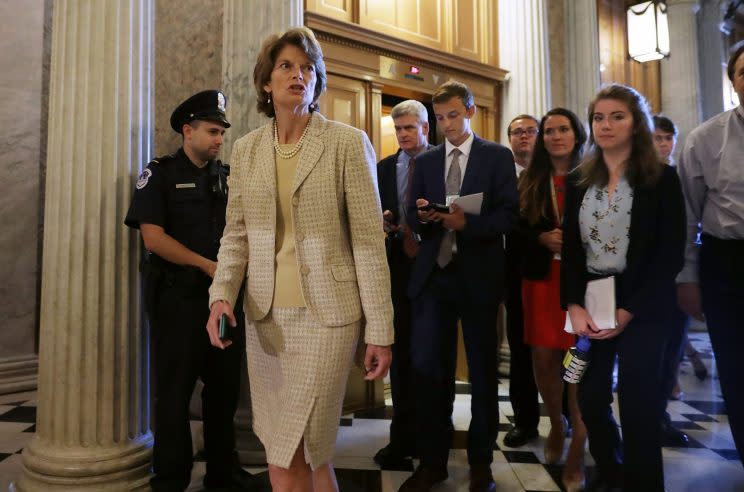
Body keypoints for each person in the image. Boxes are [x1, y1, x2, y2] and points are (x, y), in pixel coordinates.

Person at [204, 27, 393, 492]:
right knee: (291, 455)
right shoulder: (246, 149)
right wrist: (221, 296)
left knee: (297, 450)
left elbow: (369, 241)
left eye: (307, 68)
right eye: (286, 66)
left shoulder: (347, 143)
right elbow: (237, 235)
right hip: (266, 318)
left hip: (328, 318)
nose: (298, 75)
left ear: (316, 81)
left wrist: (381, 331)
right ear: (267, 83)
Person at [124, 90, 255, 491]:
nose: (219, 140)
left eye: (221, 133)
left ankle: (222, 472)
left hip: (224, 303)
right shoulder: (160, 174)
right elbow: (153, 237)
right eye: (212, 132)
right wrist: (209, 266)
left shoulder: (229, 176)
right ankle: (171, 477)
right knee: (175, 394)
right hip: (179, 300)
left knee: (223, 394)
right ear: (188, 130)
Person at [561, 84, 686, 491]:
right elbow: (572, 250)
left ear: (636, 124)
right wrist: (574, 305)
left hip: (645, 300)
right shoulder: (580, 179)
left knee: (639, 402)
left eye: (617, 116)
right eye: (599, 117)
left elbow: (669, 255)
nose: (606, 125)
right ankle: (612, 469)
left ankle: (644, 483)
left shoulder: (661, 178)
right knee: (592, 398)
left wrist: (628, 309)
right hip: (594, 294)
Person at [401, 80, 518, 492]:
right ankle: (432, 461)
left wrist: (468, 223)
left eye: (453, 115)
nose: (446, 125)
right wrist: (422, 215)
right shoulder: (428, 160)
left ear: (469, 111)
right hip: (435, 275)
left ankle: (481, 461)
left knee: (484, 371)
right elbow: (412, 219)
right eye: (440, 118)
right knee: (430, 369)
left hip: (479, 276)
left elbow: (509, 217)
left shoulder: (496, 157)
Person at [677, 40, 744, 468]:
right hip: (729, 262)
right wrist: (687, 277)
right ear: (734, 82)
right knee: (738, 369)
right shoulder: (706, 138)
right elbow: (687, 214)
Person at [518, 108, 587, 491]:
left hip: (581, 284)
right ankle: (556, 422)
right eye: (549, 131)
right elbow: (515, 230)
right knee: (544, 358)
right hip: (542, 280)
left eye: (563, 129)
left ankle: (578, 435)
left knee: (576, 359)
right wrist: (541, 239)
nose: (556, 136)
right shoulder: (531, 179)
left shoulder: (593, 175)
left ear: (577, 134)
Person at [375, 99, 433, 468]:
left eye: (410, 127)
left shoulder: (443, 162)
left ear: (426, 127)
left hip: (435, 269)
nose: (404, 135)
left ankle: (431, 438)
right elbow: (377, 208)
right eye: (398, 129)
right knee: (402, 359)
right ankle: (401, 437)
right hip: (397, 270)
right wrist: (382, 218)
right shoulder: (382, 168)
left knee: (429, 357)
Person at [502, 115, 541, 449]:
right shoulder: (501, 177)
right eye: (518, 132)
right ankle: (525, 421)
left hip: (554, 276)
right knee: (520, 349)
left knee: (563, 351)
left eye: (531, 131)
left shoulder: (558, 174)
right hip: (514, 274)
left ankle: (569, 416)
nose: (524, 137)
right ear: (510, 139)